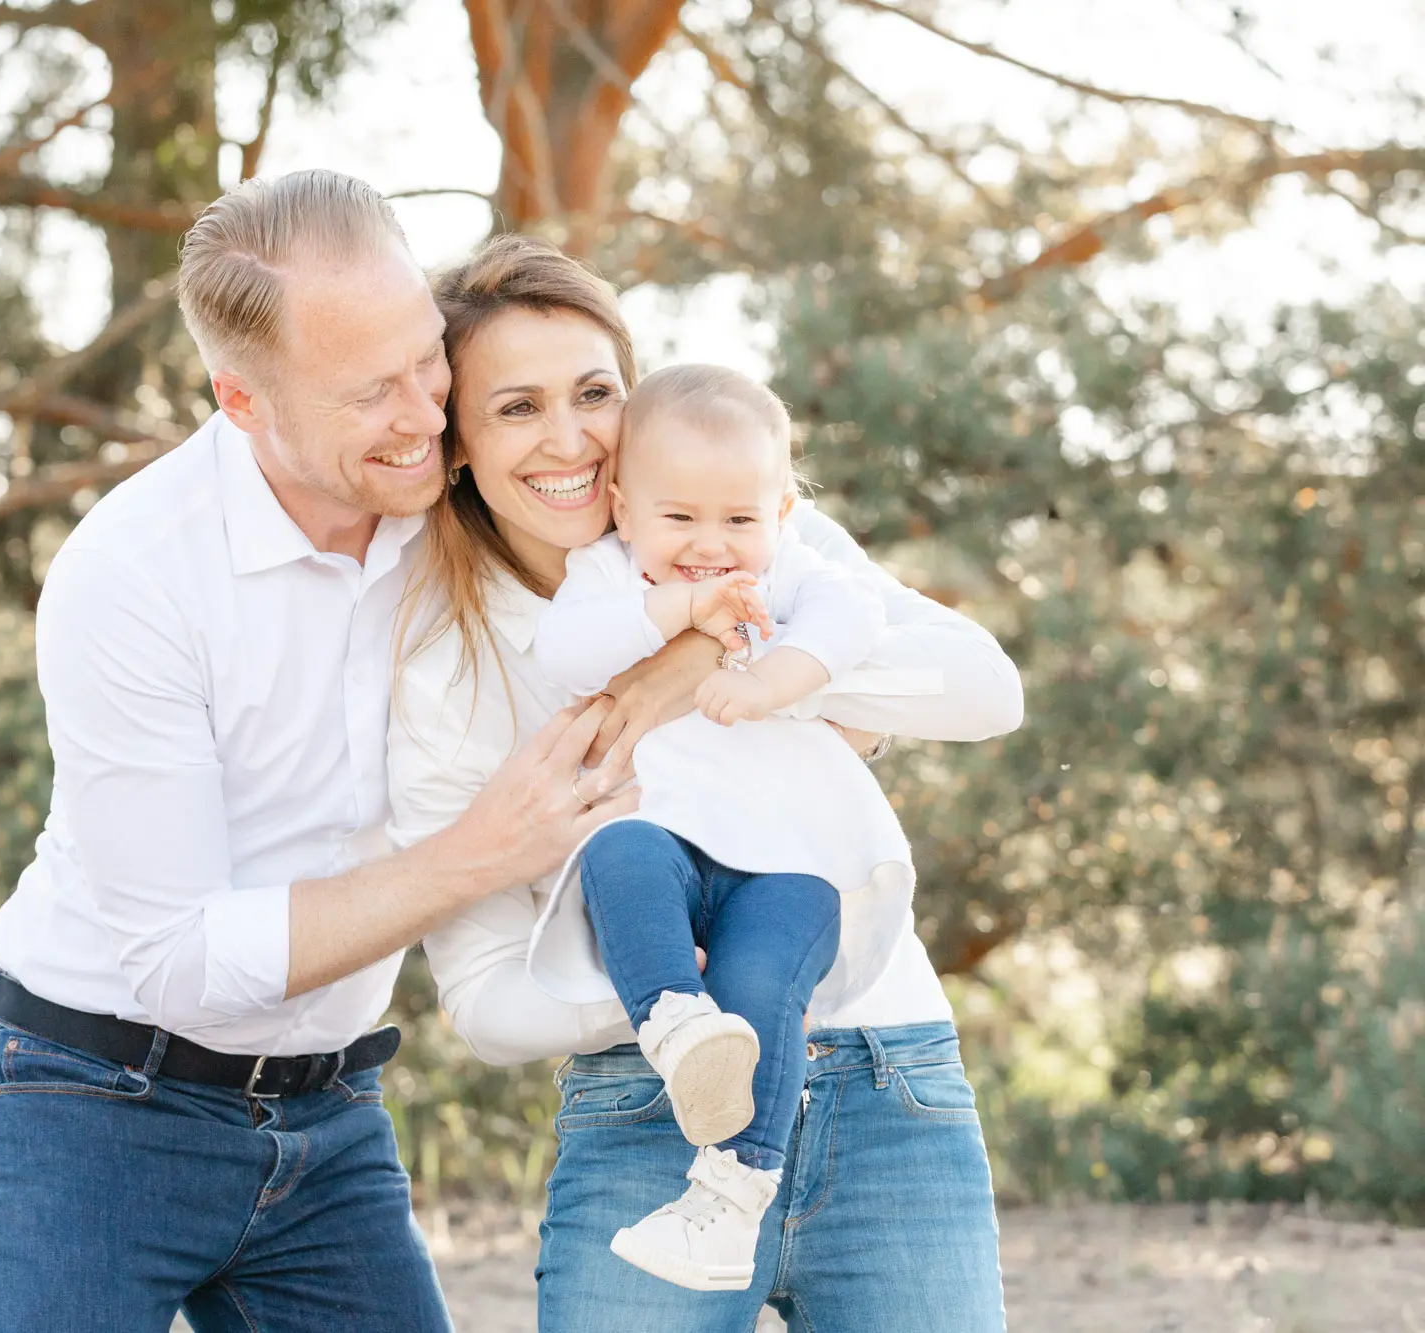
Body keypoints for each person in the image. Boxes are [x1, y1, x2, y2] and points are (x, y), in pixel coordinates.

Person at [0, 170, 672, 1332]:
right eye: (368, 393)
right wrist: (474, 855)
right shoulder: (131, 575)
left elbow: (668, 520)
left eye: (423, 359)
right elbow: (176, 958)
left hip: (330, 1105)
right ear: (241, 401)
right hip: (92, 1091)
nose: (425, 415)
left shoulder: (457, 486)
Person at [388, 234, 1022, 1331]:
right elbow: (484, 1000)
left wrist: (722, 655)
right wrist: (689, 995)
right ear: (455, 446)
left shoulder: (756, 535)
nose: (569, 438)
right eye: (515, 408)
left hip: (887, 1081)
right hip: (650, 1098)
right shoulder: (450, 662)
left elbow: (984, 690)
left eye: (593, 393)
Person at [529, 362, 935, 1291]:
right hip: (669, 840)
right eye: (679, 520)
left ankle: (728, 1199)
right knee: (619, 856)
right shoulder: (604, 575)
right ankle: (674, 1022)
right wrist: (682, 613)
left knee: (764, 981)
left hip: (792, 864)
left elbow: (854, 610)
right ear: (623, 508)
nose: (711, 546)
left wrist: (769, 679)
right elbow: (565, 651)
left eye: (740, 521)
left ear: (781, 512)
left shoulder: (791, 572)